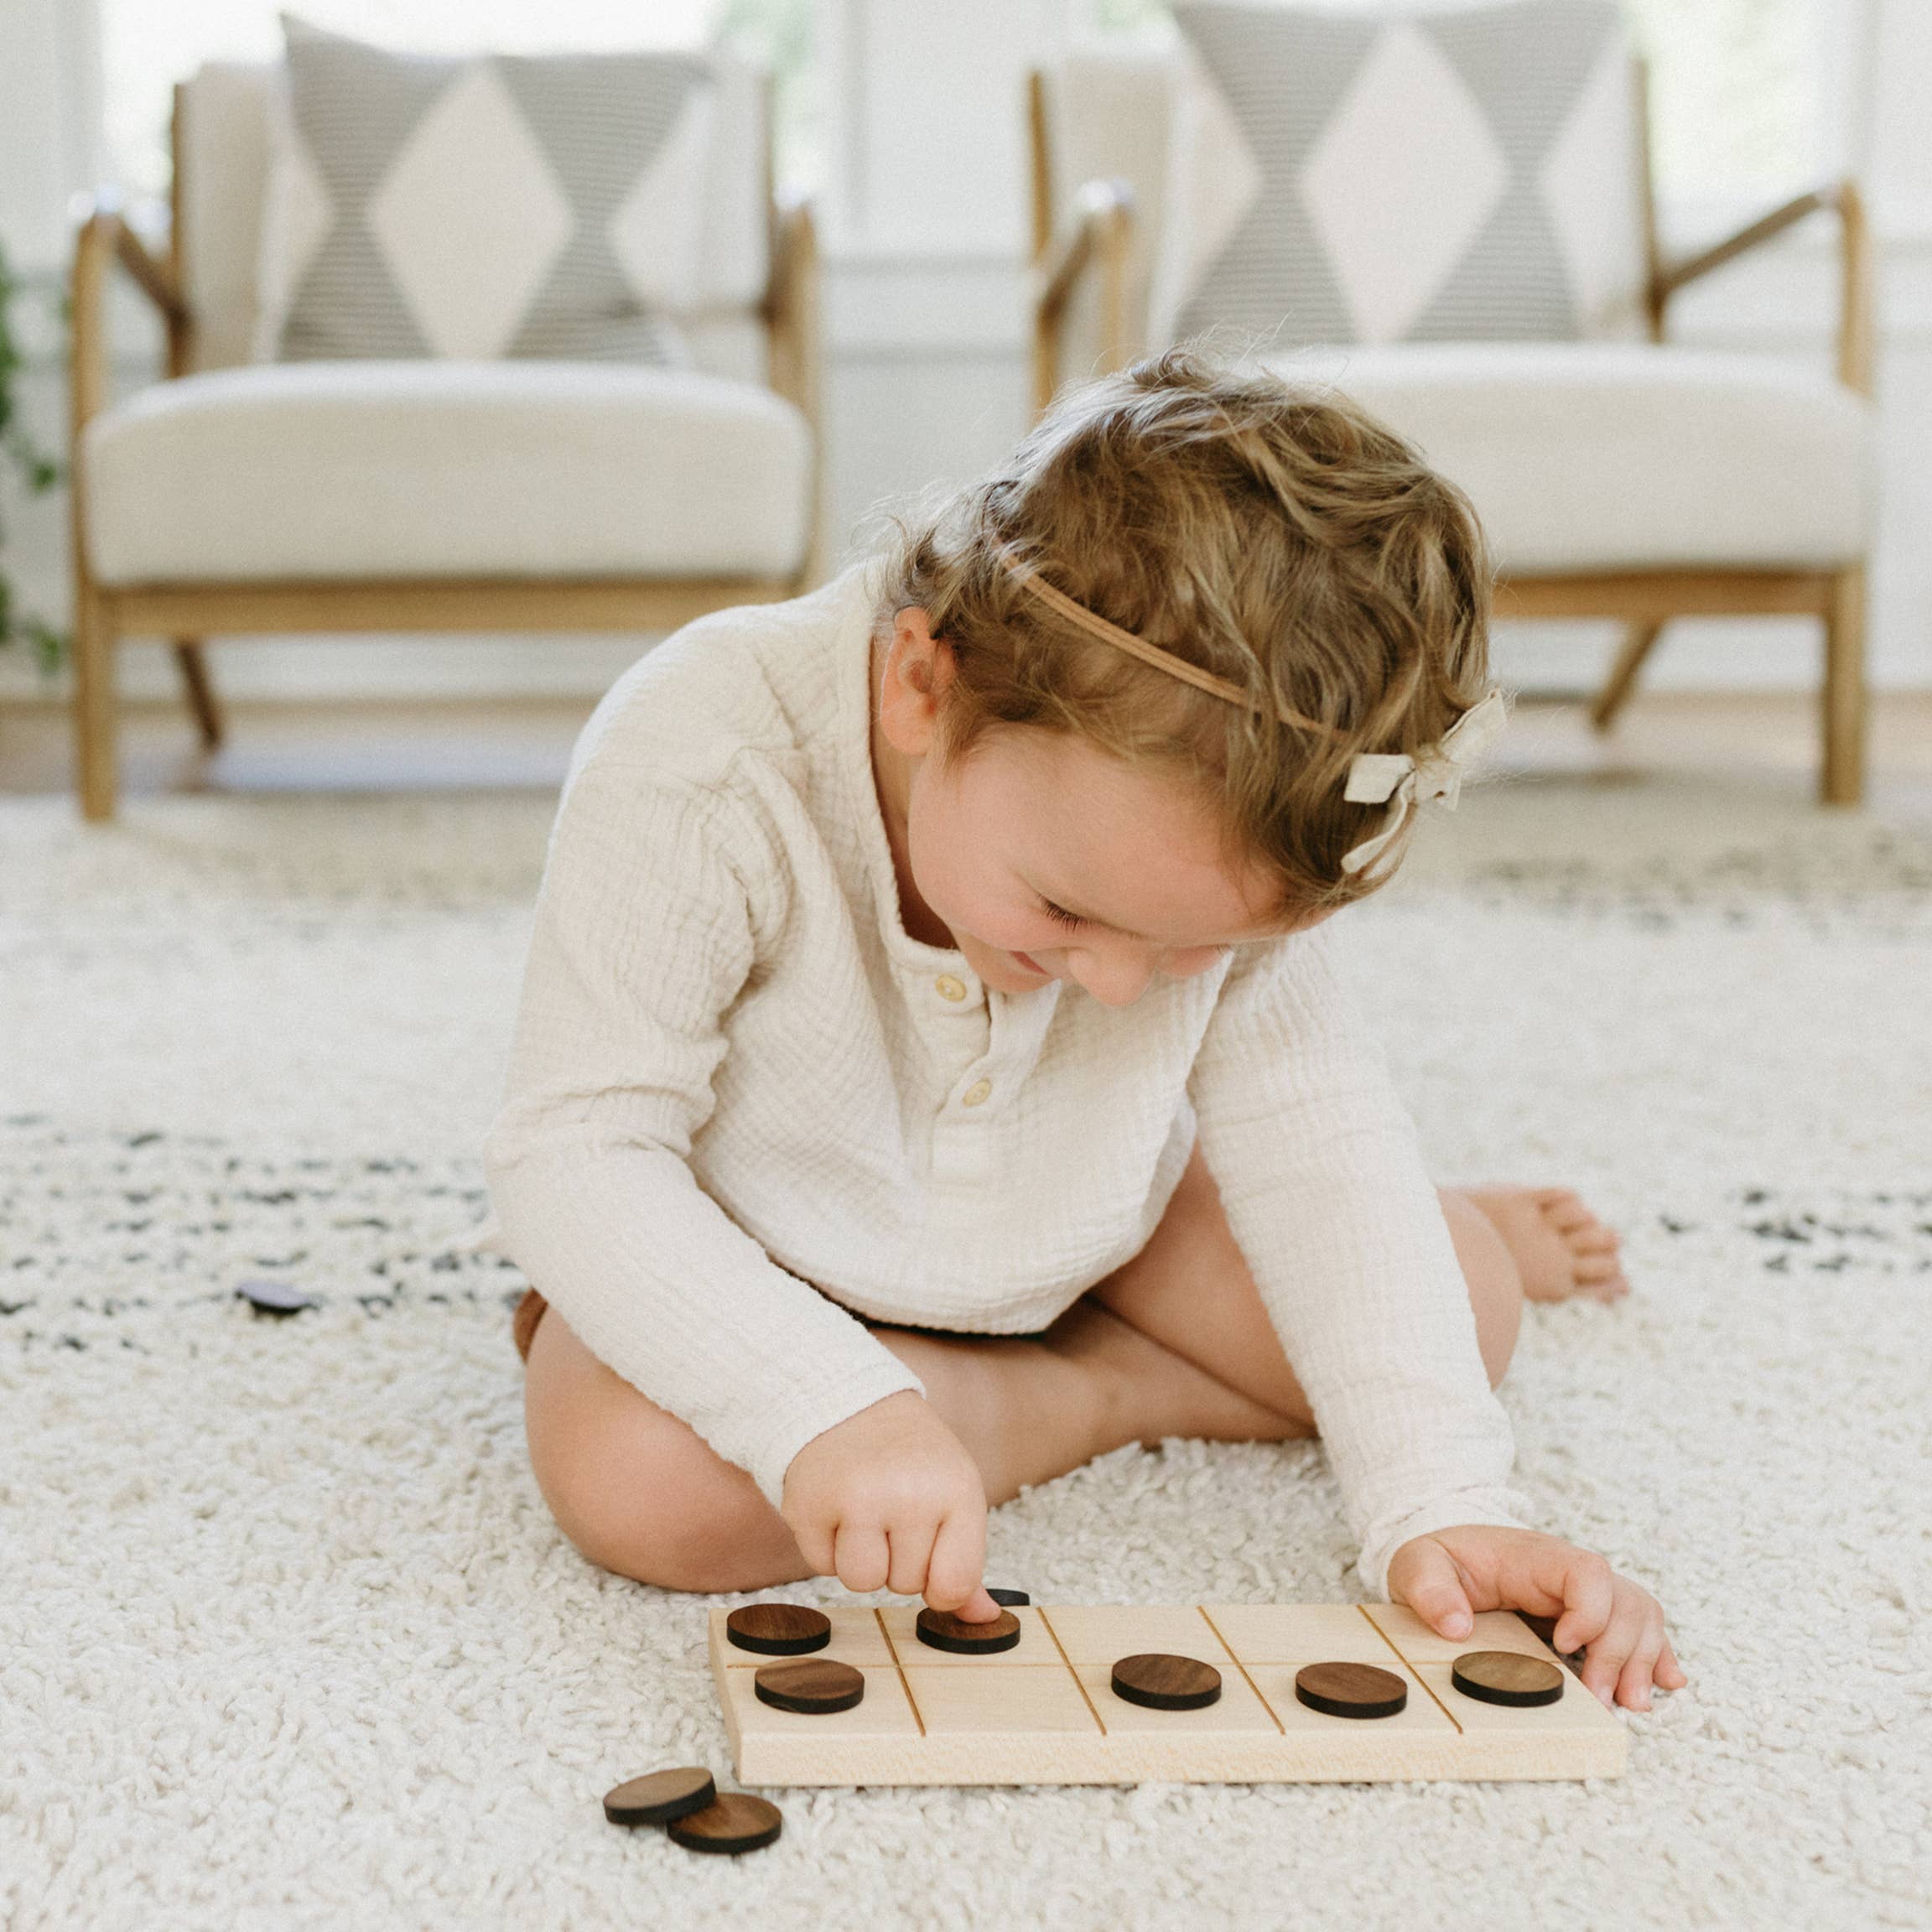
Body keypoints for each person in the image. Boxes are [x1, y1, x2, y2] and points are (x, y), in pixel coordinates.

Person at [481, 351, 1683, 1712]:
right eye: (1061, 909)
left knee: (1462, 1311)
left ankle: (1098, 1385)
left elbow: (1313, 1133)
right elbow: (575, 1150)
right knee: (632, 1482)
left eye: (1193, 954)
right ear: (920, 689)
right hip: (774, 1249)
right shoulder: (704, 752)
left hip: (1100, 1219)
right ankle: (1093, 1392)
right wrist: (826, 1408)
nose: (1120, 989)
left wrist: (1449, 1503)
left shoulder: (1208, 849)